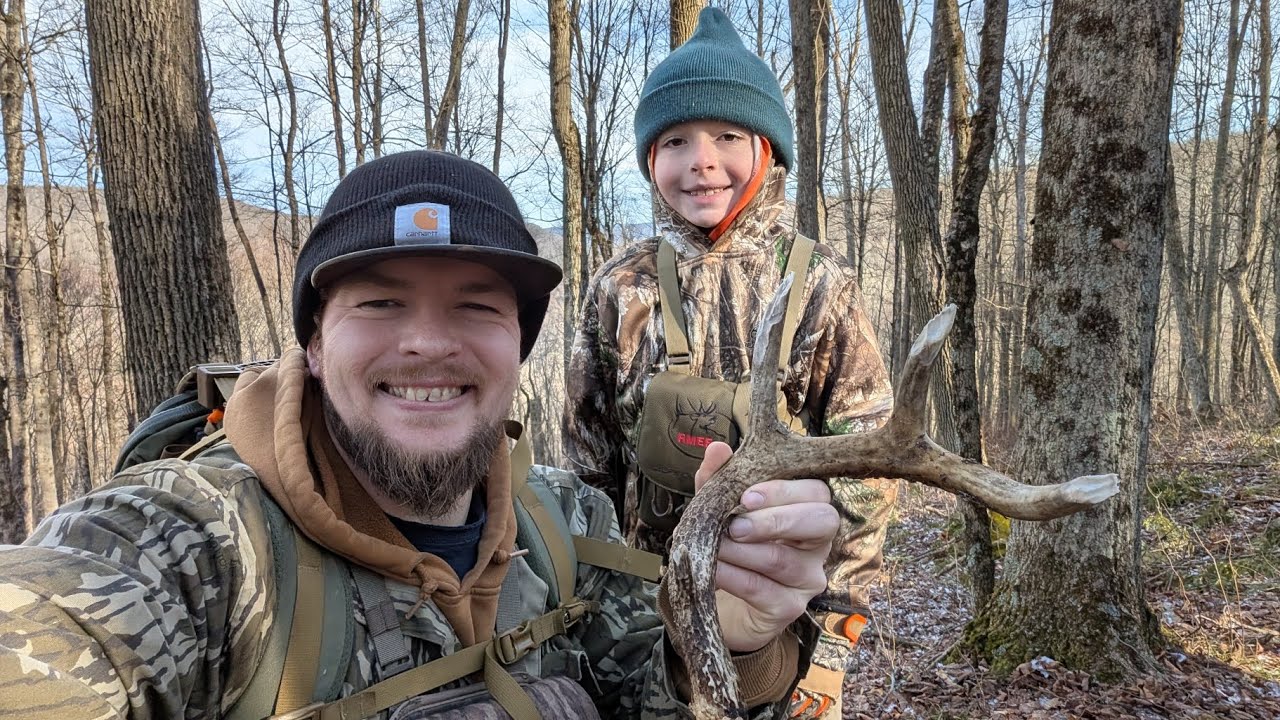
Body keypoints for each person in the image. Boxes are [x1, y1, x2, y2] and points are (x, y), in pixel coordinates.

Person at [0, 150, 837, 719]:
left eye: (477, 305)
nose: (429, 342)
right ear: (316, 345)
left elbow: (652, 696)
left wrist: (733, 639)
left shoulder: (572, 526)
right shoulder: (197, 548)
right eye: (380, 302)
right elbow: (59, 618)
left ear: (519, 347)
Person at [564, 9, 897, 719]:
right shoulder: (620, 288)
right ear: (651, 159)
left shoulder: (820, 283)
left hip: (782, 629)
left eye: (726, 136)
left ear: (768, 150)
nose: (701, 159)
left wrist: (831, 654)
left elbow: (865, 481)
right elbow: (585, 470)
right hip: (638, 636)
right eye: (676, 139)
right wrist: (589, 613)